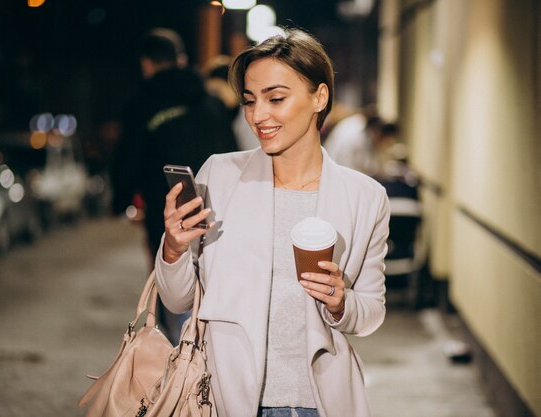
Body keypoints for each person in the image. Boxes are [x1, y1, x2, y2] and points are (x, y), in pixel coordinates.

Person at [154, 28, 390, 417]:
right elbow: (177, 300)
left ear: (320, 96)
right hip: (225, 399)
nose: (258, 115)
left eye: (276, 98)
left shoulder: (364, 197)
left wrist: (340, 302)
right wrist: (174, 247)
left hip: (320, 403)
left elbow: (371, 312)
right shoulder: (219, 176)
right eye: (249, 101)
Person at [109, 28, 238, 343]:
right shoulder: (211, 102)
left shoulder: (142, 106)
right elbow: (233, 154)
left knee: (172, 284)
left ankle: (182, 353)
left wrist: (122, 200)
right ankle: (211, 345)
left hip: (167, 213)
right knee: (214, 279)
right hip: (220, 211)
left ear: (147, 64)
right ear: (180, 59)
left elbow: (128, 159)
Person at [322, 107, 383, 176]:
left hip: (333, 164)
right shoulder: (357, 131)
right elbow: (356, 161)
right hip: (338, 167)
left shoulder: (355, 122)